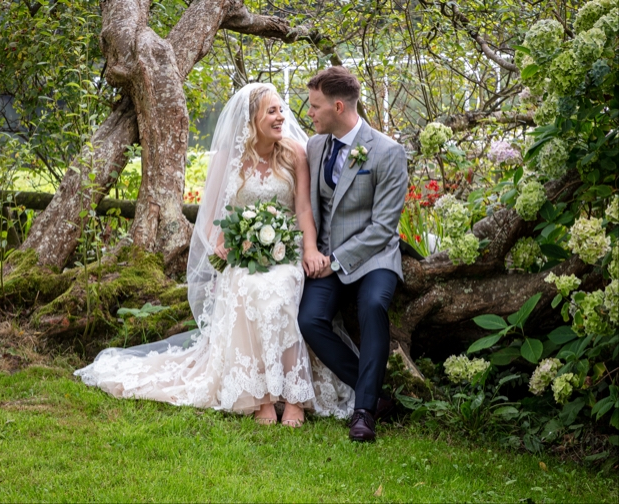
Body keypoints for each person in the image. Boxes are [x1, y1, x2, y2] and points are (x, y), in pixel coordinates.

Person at [74, 83, 354, 426]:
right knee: (247, 287)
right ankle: (262, 398)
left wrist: (309, 249)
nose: (281, 116)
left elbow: (304, 212)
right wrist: (220, 244)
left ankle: (294, 397)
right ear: (252, 119)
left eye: (281, 109)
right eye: (271, 111)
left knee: (280, 291)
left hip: (286, 250)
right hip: (243, 251)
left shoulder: (295, 153)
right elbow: (210, 217)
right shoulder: (230, 157)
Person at [298, 67, 408, 441]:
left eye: (315, 106)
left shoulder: (388, 152)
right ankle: (375, 394)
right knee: (310, 320)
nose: (309, 113)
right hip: (325, 256)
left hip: (374, 255)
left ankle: (363, 413)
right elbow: (308, 207)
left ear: (339, 106)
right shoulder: (314, 147)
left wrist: (337, 261)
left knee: (373, 306)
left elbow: (383, 227)